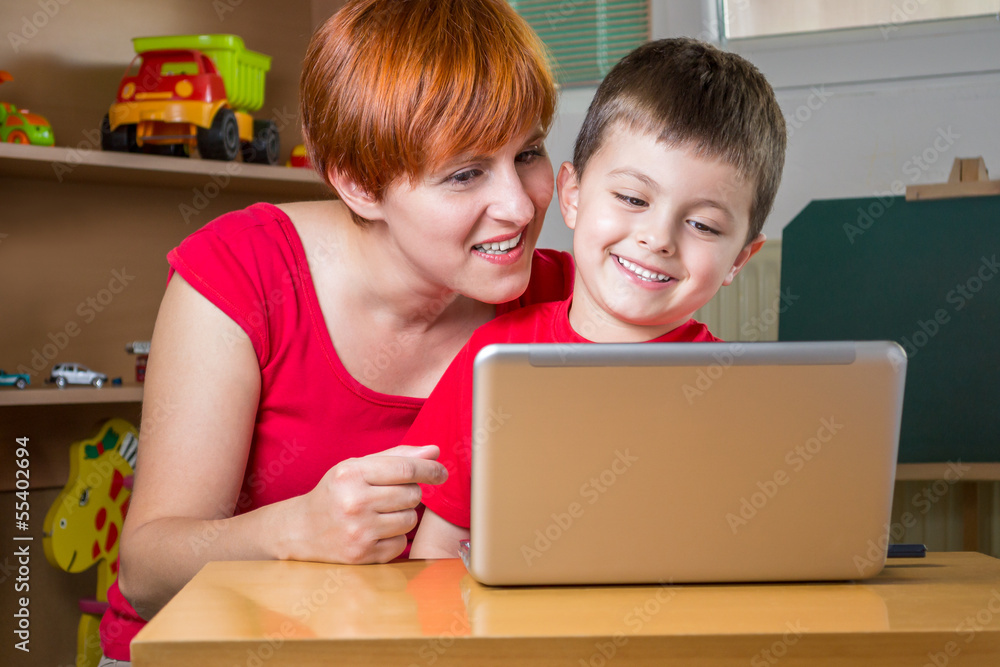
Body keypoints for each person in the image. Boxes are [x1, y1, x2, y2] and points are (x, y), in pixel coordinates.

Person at [98, 1, 575, 663]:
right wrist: (293, 528)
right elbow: (145, 572)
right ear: (357, 183)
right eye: (466, 174)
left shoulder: (575, 299)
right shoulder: (241, 274)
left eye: (529, 153)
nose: (521, 206)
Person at [408, 37, 787, 558]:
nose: (658, 238)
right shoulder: (492, 362)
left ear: (740, 260)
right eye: (632, 198)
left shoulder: (736, 394)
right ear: (572, 195)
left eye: (702, 224)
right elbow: (437, 551)